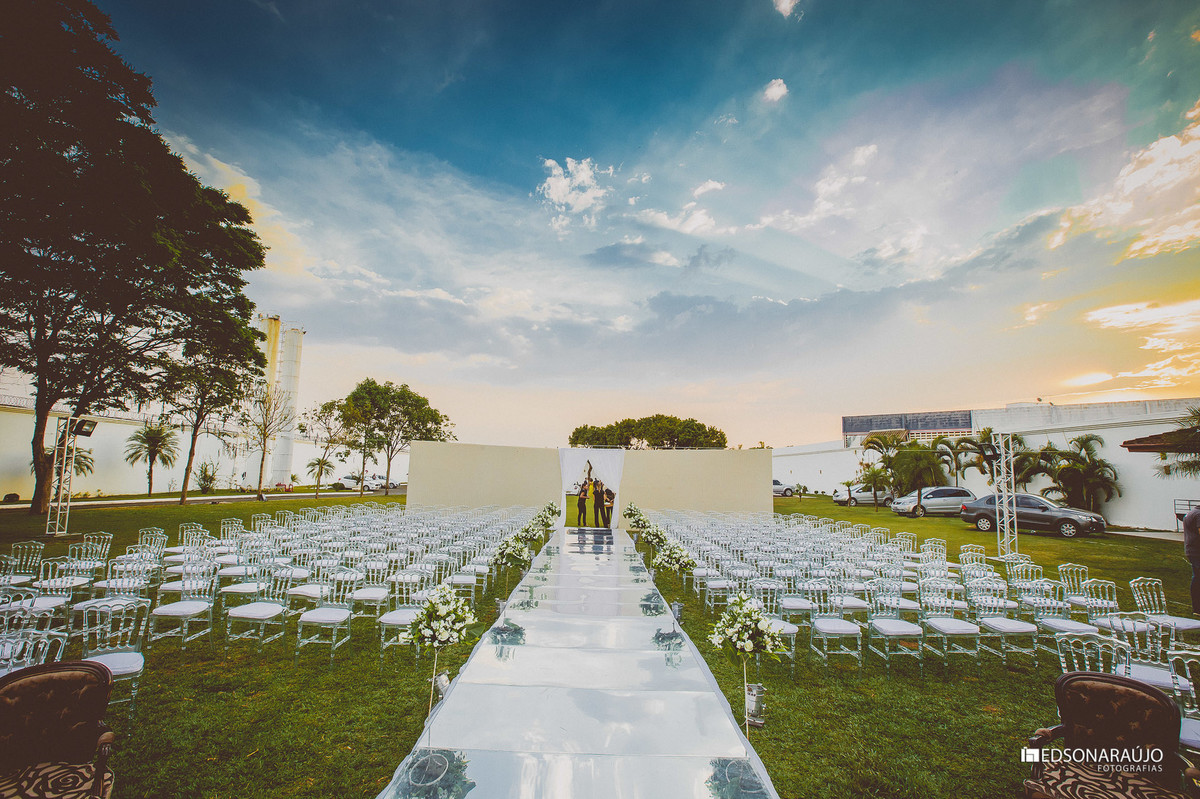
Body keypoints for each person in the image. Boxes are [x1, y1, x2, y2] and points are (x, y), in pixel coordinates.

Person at [1185, 504, 1200, 614]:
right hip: (1197, 551)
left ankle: (1197, 608)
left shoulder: (1192, 512)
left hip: (1192, 550)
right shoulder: (1198, 514)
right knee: (1198, 578)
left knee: (1197, 577)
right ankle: (1197, 608)